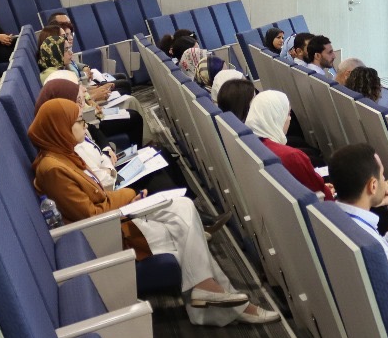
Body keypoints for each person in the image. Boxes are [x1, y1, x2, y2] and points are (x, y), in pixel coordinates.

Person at [29, 99, 277, 325]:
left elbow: (97, 198)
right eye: (78, 121)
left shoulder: (64, 155)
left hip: (114, 219)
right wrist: (129, 195)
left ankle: (208, 293)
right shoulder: (53, 169)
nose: (85, 125)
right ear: (60, 127)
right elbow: (91, 215)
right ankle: (220, 300)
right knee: (186, 231)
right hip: (105, 236)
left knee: (184, 207)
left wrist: (127, 198)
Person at [36, 76, 187, 197]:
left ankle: (189, 198)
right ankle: (183, 203)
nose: (81, 104)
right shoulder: (71, 140)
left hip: (109, 166)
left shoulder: (75, 124)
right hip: (113, 183)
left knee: (160, 152)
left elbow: (94, 133)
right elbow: (103, 181)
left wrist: (106, 151)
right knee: (157, 172)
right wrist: (108, 164)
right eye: (78, 100)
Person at [328, 144, 388, 270]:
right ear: (373, 186)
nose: (384, 179)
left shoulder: (331, 215)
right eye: (382, 174)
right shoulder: (371, 245)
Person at [245, 90, 333, 200]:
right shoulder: (291, 156)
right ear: (277, 117)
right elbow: (322, 195)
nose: (289, 119)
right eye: (288, 114)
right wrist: (328, 192)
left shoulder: (249, 144)